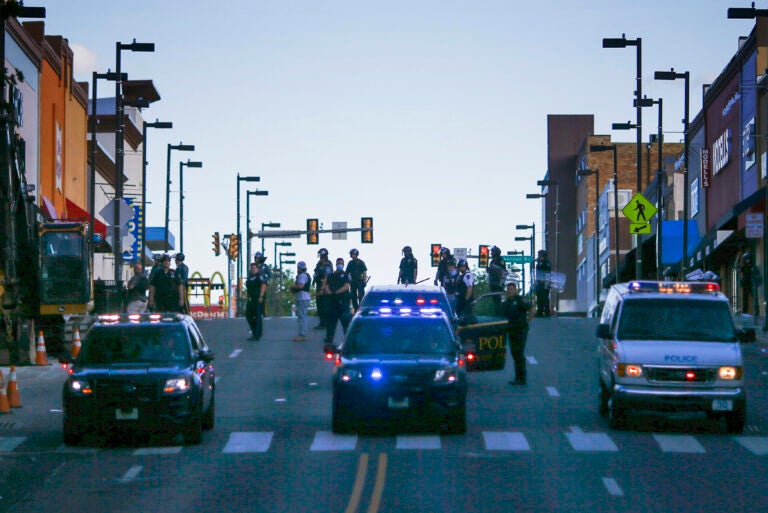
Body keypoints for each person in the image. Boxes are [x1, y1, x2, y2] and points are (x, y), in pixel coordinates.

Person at [502, 281, 534, 386]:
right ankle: (517, 377)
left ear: (515, 290)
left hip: (520, 330)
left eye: (512, 289)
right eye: (508, 289)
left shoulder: (520, 300)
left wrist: (527, 321)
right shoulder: (507, 303)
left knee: (519, 353)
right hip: (511, 331)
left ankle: (522, 378)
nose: (510, 291)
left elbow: (532, 309)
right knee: (514, 354)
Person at [323, 257, 352, 344]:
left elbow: (347, 286)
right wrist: (330, 293)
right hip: (333, 301)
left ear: (343, 264)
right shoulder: (331, 275)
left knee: (346, 322)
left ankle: (347, 339)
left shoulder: (346, 274)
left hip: (343, 302)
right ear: (336, 264)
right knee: (331, 321)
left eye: (341, 263)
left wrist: (336, 292)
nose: (340, 264)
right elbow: (326, 286)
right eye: (338, 263)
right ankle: (329, 337)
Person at [289, 261, 312, 341]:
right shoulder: (305, 275)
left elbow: (300, 285)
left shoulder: (302, 276)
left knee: (302, 317)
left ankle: (302, 334)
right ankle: (302, 333)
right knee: (302, 316)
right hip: (302, 297)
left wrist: (293, 287)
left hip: (303, 297)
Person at [245, 262, 268, 341]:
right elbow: (249, 287)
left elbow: (264, 285)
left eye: (254, 268)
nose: (253, 270)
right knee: (248, 315)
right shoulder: (250, 277)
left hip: (258, 298)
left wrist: (261, 296)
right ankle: (254, 332)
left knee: (258, 317)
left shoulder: (260, 276)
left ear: (258, 269)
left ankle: (257, 335)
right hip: (251, 299)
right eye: (252, 268)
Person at [313, 248, 333, 329]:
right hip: (319, 286)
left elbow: (326, 277)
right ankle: (322, 322)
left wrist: (322, 288)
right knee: (319, 305)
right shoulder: (319, 264)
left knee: (325, 305)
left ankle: (325, 323)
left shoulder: (327, 265)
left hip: (324, 287)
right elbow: (316, 273)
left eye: (320, 255)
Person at [739, 252, 762, 317]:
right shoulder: (744, 267)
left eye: (748, 259)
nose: (747, 260)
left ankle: (757, 313)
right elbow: (738, 269)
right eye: (746, 259)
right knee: (745, 299)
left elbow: (758, 276)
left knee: (755, 299)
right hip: (746, 285)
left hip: (752, 285)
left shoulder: (753, 267)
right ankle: (744, 312)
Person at [487, 246, 508, 314]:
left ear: (496, 252)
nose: (491, 253)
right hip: (493, 283)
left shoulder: (500, 260)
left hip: (498, 285)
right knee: (495, 301)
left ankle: (500, 315)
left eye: (492, 252)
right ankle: (496, 315)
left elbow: (503, 272)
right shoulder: (492, 261)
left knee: (499, 301)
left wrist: (501, 284)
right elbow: (491, 272)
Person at [534, 249, 552, 317]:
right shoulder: (539, 263)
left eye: (539, 254)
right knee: (539, 298)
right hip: (539, 283)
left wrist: (546, 281)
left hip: (544, 283)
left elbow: (548, 272)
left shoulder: (546, 262)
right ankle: (540, 311)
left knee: (544, 298)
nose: (538, 256)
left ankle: (547, 312)